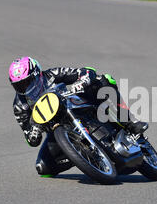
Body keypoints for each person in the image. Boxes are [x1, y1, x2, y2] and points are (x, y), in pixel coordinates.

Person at [9, 56, 148, 177]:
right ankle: (83, 156)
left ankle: (129, 121)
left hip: (76, 104)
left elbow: (87, 71)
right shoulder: (19, 106)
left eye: (27, 82)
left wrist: (81, 82)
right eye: (19, 85)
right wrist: (34, 131)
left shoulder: (52, 74)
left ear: (37, 74)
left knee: (104, 80)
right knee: (43, 168)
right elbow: (30, 138)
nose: (25, 87)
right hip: (56, 129)